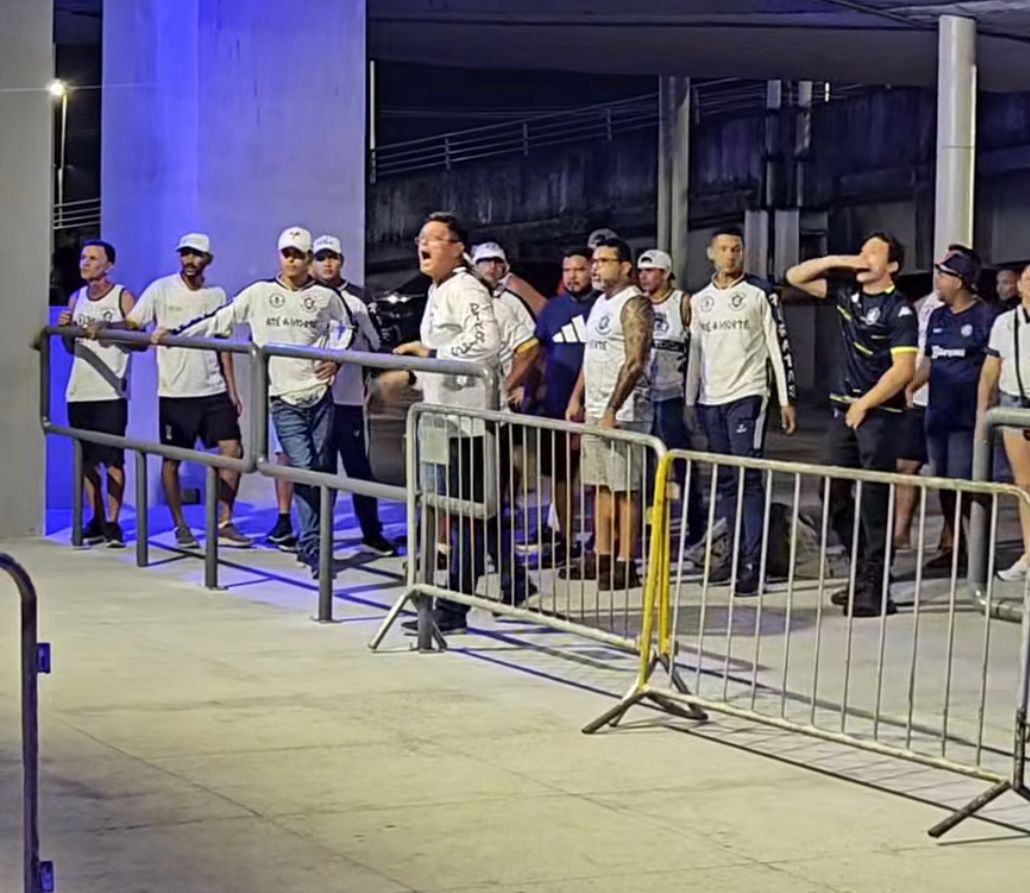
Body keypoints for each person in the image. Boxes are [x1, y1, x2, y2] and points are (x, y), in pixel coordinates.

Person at [157, 226, 355, 576]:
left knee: (322, 471)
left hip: (320, 397)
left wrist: (335, 356)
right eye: (286, 253)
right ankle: (315, 547)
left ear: (308, 259)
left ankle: (313, 542)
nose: (291, 260)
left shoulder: (325, 298)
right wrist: (173, 336)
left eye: (298, 254)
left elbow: (346, 325)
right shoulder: (259, 293)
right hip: (283, 399)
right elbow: (218, 320)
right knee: (304, 468)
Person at [786, 232, 917, 617]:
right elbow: (796, 276)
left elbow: (903, 370)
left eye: (873, 253)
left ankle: (876, 584)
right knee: (831, 488)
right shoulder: (847, 294)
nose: (864, 258)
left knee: (875, 500)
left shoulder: (899, 310)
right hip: (844, 412)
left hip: (879, 415)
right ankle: (860, 567)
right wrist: (839, 258)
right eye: (862, 250)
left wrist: (866, 403)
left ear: (892, 266)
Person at [389, 212, 502, 635]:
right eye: (422, 237)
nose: (425, 244)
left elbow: (488, 341)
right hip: (438, 418)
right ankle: (432, 599)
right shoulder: (438, 289)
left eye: (435, 238)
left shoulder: (465, 287)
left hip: (466, 425)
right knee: (435, 508)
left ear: (457, 248)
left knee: (466, 515)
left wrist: (433, 354)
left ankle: (454, 607)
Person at [687, 227, 797, 596]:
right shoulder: (699, 300)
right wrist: (691, 400)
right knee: (727, 480)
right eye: (723, 249)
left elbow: (776, 346)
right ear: (711, 254)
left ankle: (754, 563)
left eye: (736, 249)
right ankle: (731, 556)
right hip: (710, 400)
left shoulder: (760, 293)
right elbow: (696, 355)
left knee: (750, 478)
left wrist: (785, 398)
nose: (730, 255)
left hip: (748, 395)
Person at [127, 234, 251, 548]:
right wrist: (104, 327)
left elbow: (223, 344)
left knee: (233, 450)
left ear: (207, 260)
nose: (190, 261)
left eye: (196, 256)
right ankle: (180, 525)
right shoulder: (161, 289)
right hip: (176, 391)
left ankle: (224, 521)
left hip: (213, 388)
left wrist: (233, 391)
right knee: (172, 459)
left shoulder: (216, 294)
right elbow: (133, 323)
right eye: (185, 255)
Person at [564, 237, 654, 589]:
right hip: (596, 407)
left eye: (603, 261)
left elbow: (635, 362)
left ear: (625, 266)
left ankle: (625, 561)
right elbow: (591, 356)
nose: (596, 267)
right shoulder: (600, 303)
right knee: (599, 486)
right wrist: (577, 397)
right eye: (594, 261)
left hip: (623, 410)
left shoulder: (634, 305)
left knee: (625, 490)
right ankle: (601, 555)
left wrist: (613, 408)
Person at [906, 246, 991, 571]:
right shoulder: (938, 316)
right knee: (942, 482)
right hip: (937, 415)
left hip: (967, 419)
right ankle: (957, 545)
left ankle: (976, 551)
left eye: (943, 276)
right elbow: (931, 358)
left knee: (965, 483)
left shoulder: (985, 317)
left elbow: (992, 367)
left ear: (960, 281)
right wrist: (912, 385)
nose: (937, 281)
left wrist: (986, 411)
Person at [312, 234, 397, 557]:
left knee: (358, 469)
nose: (327, 263)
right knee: (319, 470)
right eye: (321, 257)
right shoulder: (303, 299)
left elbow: (377, 344)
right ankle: (317, 538)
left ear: (342, 260)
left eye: (332, 256)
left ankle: (371, 533)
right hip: (313, 401)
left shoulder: (359, 300)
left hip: (348, 400)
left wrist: (375, 386)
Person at [513, 247, 596, 565]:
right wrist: (529, 393)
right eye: (567, 270)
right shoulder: (552, 310)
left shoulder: (604, 307)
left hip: (595, 408)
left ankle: (596, 541)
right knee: (561, 476)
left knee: (595, 479)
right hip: (557, 407)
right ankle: (565, 538)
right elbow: (538, 357)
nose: (573, 276)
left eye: (579, 269)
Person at [59, 240, 136, 548]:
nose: (85, 263)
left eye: (93, 258)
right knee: (86, 461)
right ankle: (98, 518)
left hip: (110, 391)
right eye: (82, 258)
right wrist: (66, 328)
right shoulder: (76, 298)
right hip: (80, 391)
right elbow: (70, 348)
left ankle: (114, 522)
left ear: (109, 265)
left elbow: (137, 332)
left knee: (113, 461)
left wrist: (108, 326)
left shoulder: (122, 296)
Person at [635, 248, 706, 548]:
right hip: (642, 395)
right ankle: (651, 524)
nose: (644, 276)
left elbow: (699, 347)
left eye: (650, 271)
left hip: (673, 393)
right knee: (646, 466)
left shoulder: (683, 303)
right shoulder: (636, 304)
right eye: (641, 271)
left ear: (665, 273)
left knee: (680, 462)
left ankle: (695, 522)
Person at [978, 262, 1030, 581]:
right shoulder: (1004, 323)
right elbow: (989, 373)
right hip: (1014, 404)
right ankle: (1029, 553)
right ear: (1019, 286)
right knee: (1024, 485)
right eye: (1027, 280)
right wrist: (981, 416)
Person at [893, 289, 940, 552]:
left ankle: (954, 540)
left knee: (949, 476)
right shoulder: (923, 303)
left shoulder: (976, 311)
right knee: (905, 466)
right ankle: (900, 533)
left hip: (947, 402)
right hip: (917, 402)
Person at [472, 241, 547, 318]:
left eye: (498, 262)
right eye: (486, 260)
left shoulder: (511, 291)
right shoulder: (466, 289)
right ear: (475, 266)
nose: (492, 266)